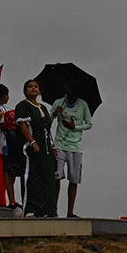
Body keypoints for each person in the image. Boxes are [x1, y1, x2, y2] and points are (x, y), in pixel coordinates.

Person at [15, 79, 57, 218]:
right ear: (25, 90)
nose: (33, 88)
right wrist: (32, 141)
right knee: (33, 177)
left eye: (36, 86)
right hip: (32, 147)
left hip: (46, 147)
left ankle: (47, 210)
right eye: (30, 87)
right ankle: (31, 209)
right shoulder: (23, 106)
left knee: (48, 177)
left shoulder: (43, 108)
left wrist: (52, 146)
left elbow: (47, 129)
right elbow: (22, 125)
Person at [51, 84, 93, 218]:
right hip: (59, 145)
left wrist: (75, 127)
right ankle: (53, 209)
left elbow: (89, 124)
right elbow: (48, 120)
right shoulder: (58, 102)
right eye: (69, 96)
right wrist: (54, 113)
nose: (71, 99)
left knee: (74, 179)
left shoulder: (83, 105)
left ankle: (70, 212)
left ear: (78, 96)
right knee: (56, 176)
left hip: (75, 147)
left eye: (74, 97)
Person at [0, 84, 23, 209]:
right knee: (7, 172)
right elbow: (3, 125)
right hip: (3, 144)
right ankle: (9, 199)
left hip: (6, 144)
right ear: (5, 95)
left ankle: (11, 199)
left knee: (9, 172)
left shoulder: (1, 108)